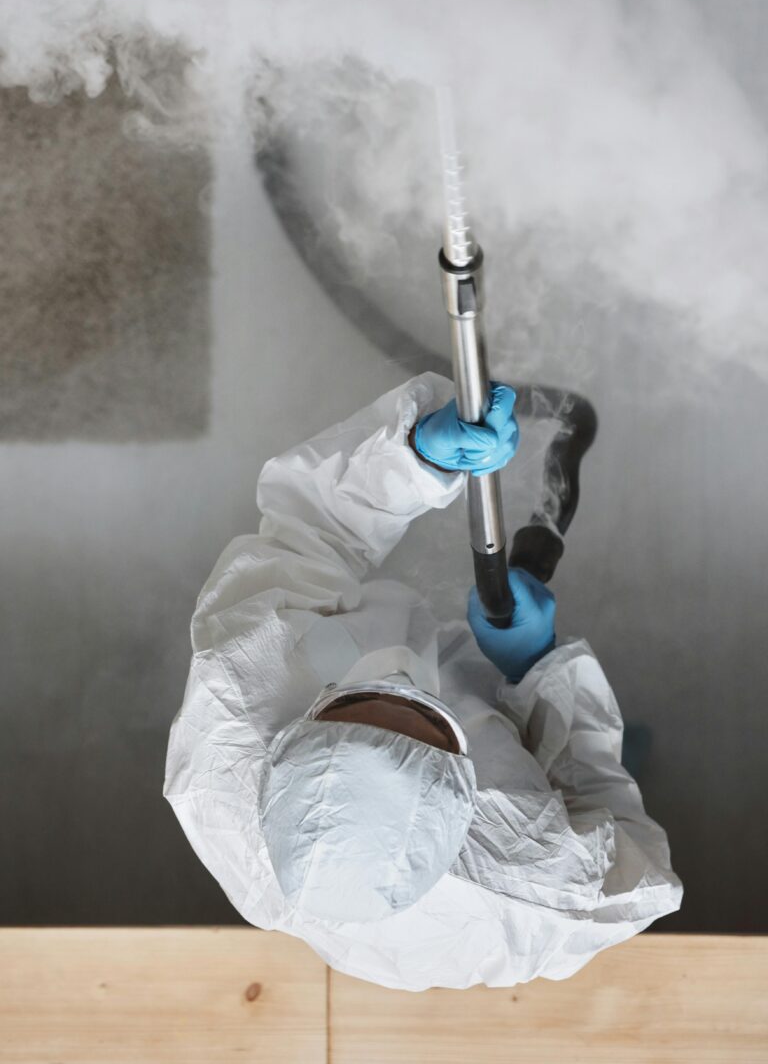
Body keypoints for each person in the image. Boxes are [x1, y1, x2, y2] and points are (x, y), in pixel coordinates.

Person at [165, 373, 681, 991]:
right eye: (430, 722)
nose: (404, 680)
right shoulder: (538, 888)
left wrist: (415, 456)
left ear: (289, 742)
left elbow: (311, 532)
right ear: (469, 799)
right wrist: (540, 671)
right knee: (598, 763)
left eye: (360, 704)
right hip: (529, 774)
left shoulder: (240, 696)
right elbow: (634, 849)